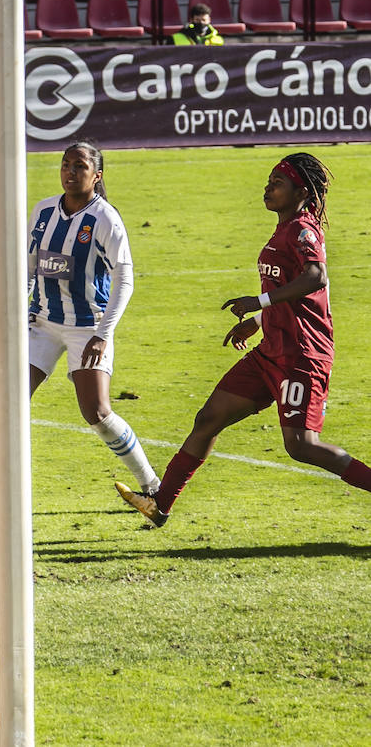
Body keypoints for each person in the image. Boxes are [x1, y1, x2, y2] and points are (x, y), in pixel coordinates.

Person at [117, 153, 371, 527]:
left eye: (277, 183)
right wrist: (257, 319)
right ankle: (160, 504)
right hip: (271, 350)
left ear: (300, 191)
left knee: (302, 446)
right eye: (268, 181)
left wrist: (260, 302)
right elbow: (290, 290)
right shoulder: (283, 228)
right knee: (209, 418)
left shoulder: (303, 230)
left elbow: (315, 277)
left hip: (301, 355)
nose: (267, 188)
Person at [26, 142, 160, 501]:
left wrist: (103, 334)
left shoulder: (105, 219)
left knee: (97, 412)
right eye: (65, 164)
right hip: (41, 322)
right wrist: (18, 310)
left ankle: (150, 483)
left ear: (96, 175)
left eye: (80, 166)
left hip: (88, 327)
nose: (70, 172)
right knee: (11, 401)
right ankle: (5, 492)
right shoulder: (42, 212)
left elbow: (125, 281)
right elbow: (29, 264)